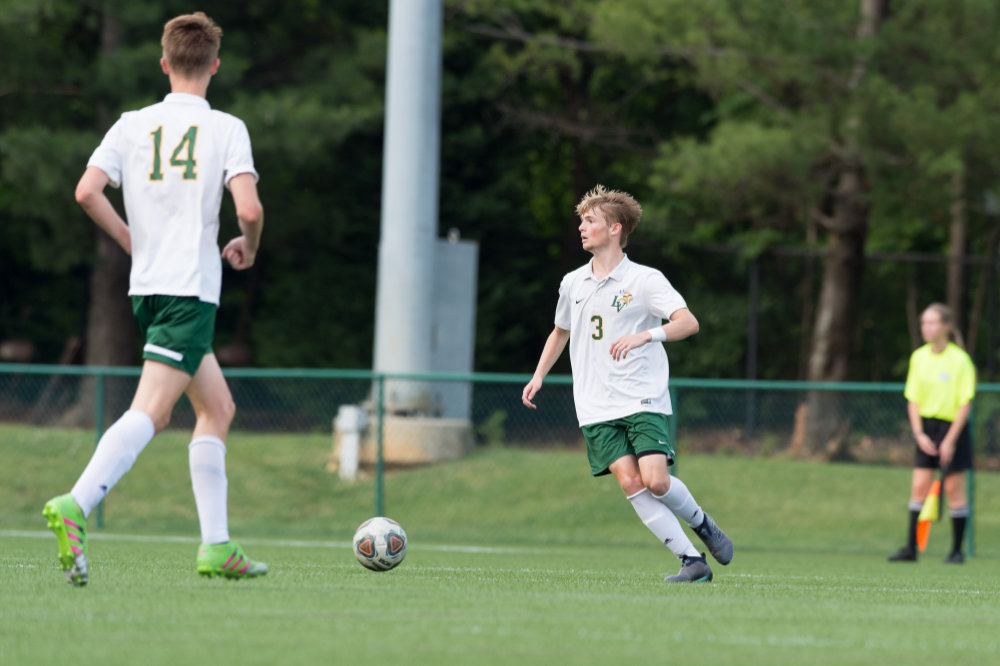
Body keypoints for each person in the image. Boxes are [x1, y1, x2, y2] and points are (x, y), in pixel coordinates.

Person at [42, 12, 267, 586]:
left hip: (149, 289)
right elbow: (249, 210)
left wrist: (127, 238)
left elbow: (87, 191)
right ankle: (76, 502)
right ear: (214, 65)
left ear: (165, 63)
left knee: (216, 409)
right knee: (153, 411)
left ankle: (217, 547)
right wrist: (248, 244)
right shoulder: (226, 128)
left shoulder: (129, 125)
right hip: (190, 290)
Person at [521, 185, 732, 582]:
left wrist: (646, 336)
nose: (581, 228)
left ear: (615, 228)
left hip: (642, 396)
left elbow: (688, 323)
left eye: (590, 221)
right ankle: (693, 562)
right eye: (581, 221)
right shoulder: (573, 283)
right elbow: (560, 332)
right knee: (631, 482)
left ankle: (703, 524)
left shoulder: (645, 279)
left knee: (656, 480)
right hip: (594, 403)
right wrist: (538, 376)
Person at [889, 303, 976, 564]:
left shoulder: (960, 360)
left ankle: (956, 551)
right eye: (923, 323)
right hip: (926, 429)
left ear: (946, 327)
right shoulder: (919, 357)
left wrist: (950, 440)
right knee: (919, 486)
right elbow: (913, 399)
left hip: (953, 429)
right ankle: (911, 549)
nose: (926, 328)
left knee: (954, 489)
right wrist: (918, 434)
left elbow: (965, 403)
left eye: (932, 322)